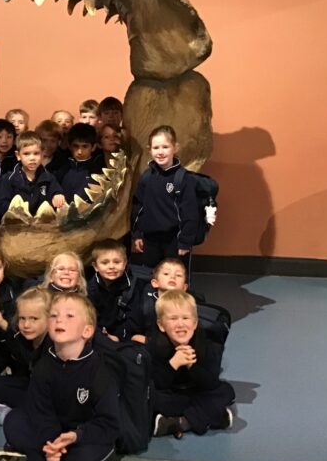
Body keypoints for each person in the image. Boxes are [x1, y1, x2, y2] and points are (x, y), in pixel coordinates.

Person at [0, 292, 118, 461]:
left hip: (80, 437)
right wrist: (52, 446)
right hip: (51, 434)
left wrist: (75, 436)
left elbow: (108, 424)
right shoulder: (44, 365)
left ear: (87, 330)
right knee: (14, 421)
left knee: (101, 450)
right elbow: (41, 414)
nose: (59, 319)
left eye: (69, 316)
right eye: (54, 315)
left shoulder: (100, 369)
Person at [149, 290, 234, 438]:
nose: (180, 324)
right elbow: (156, 382)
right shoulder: (154, 345)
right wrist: (173, 364)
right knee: (150, 398)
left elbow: (210, 382)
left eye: (186, 318)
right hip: (171, 393)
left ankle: (180, 422)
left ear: (194, 323)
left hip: (197, 391)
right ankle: (214, 417)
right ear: (161, 325)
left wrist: (192, 367)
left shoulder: (207, 344)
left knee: (226, 391)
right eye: (173, 319)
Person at [0, 286, 52, 424]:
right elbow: (19, 348)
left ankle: (9, 414)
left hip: (48, 397)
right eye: (22, 318)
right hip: (31, 385)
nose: (26, 324)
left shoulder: (54, 344)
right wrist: (1, 323)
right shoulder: (27, 338)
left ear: (50, 318)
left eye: (34, 319)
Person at [131, 125, 199, 269]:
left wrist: (185, 242)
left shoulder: (183, 178)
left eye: (165, 147)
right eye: (156, 148)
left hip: (174, 241)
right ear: (149, 150)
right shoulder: (146, 177)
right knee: (151, 276)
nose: (160, 152)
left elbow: (190, 213)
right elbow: (138, 207)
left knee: (174, 276)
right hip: (150, 240)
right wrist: (137, 234)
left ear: (175, 148)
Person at [0, 131, 65, 222]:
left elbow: (56, 191)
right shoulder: (8, 179)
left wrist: (57, 195)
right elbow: (0, 205)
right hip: (15, 227)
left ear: (42, 154)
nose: (32, 158)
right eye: (26, 154)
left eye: (36, 153)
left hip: (42, 227)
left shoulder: (49, 178)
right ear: (18, 155)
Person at [85, 239, 141, 342]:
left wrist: (119, 337)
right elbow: (91, 317)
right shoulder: (91, 288)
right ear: (96, 267)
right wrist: (101, 333)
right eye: (105, 263)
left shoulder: (132, 286)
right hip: (100, 333)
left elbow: (133, 318)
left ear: (125, 264)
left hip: (125, 333)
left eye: (117, 262)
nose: (111, 267)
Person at [61, 123, 104, 203]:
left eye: (85, 146)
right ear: (69, 146)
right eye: (76, 146)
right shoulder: (62, 169)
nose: (80, 152)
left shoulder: (97, 172)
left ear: (93, 147)